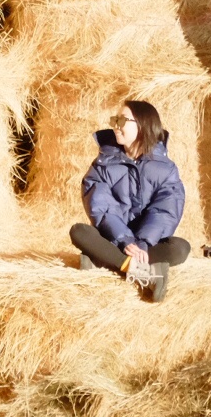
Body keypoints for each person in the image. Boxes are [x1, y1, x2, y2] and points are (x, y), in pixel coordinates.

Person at [71, 100, 191, 302]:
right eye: (114, 119)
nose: (115, 125)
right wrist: (124, 240)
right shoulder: (102, 165)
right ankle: (135, 268)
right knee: (79, 231)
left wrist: (142, 242)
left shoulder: (166, 169)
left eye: (122, 120)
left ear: (143, 124)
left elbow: (165, 211)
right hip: (114, 238)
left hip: (148, 244)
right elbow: (101, 208)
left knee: (181, 248)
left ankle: (104, 259)